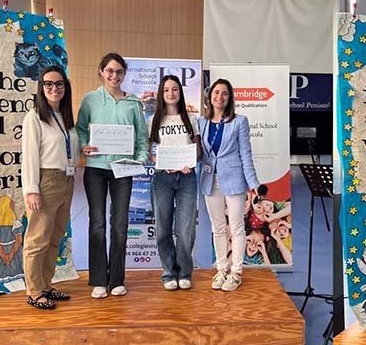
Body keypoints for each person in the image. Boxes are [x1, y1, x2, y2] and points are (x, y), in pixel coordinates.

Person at [76, 53, 148, 299]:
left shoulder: (134, 103)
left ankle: (117, 279)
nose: (114, 76)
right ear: (101, 71)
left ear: (124, 74)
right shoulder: (90, 99)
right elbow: (80, 129)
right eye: (110, 71)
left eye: (119, 71)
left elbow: (141, 137)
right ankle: (98, 280)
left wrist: (140, 158)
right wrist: (83, 145)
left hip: (123, 169)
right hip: (96, 168)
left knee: (120, 224)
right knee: (97, 224)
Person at [21, 66, 79, 310]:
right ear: (41, 87)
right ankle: (34, 291)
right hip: (46, 182)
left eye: (59, 84)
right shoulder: (34, 117)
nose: (54, 88)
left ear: (65, 87)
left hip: (67, 180)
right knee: (37, 240)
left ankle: (45, 284)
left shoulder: (65, 116)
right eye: (49, 84)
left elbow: (67, 148)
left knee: (55, 237)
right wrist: (31, 189)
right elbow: (29, 155)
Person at [199, 78, 261, 291]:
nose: (220, 97)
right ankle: (222, 268)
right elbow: (199, 152)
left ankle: (236, 272)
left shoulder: (239, 121)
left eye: (224, 93)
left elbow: (245, 153)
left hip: (234, 179)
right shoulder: (201, 122)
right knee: (218, 227)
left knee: (236, 227)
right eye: (216, 92)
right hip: (210, 180)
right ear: (210, 96)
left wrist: (253, 182)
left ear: (230, 98)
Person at [148, 74, 200, 290]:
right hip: (162, 178)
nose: (171, 93)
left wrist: (190, 162)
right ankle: (169, 272)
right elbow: (149, 152)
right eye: (167, 89)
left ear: (180, 92)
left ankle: (184, 272)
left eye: (175, 89)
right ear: (161, 93)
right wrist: (160, 162)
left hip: (187, 177)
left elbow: (197, 149)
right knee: (162, 228)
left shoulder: (191, 118)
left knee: (185, 229)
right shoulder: (153, 120)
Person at [0, 196, 23, 283]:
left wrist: (5, 257)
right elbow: (18, 240)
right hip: (12, 252)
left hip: (6, 253)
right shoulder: (16, 224)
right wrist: (8, 256)